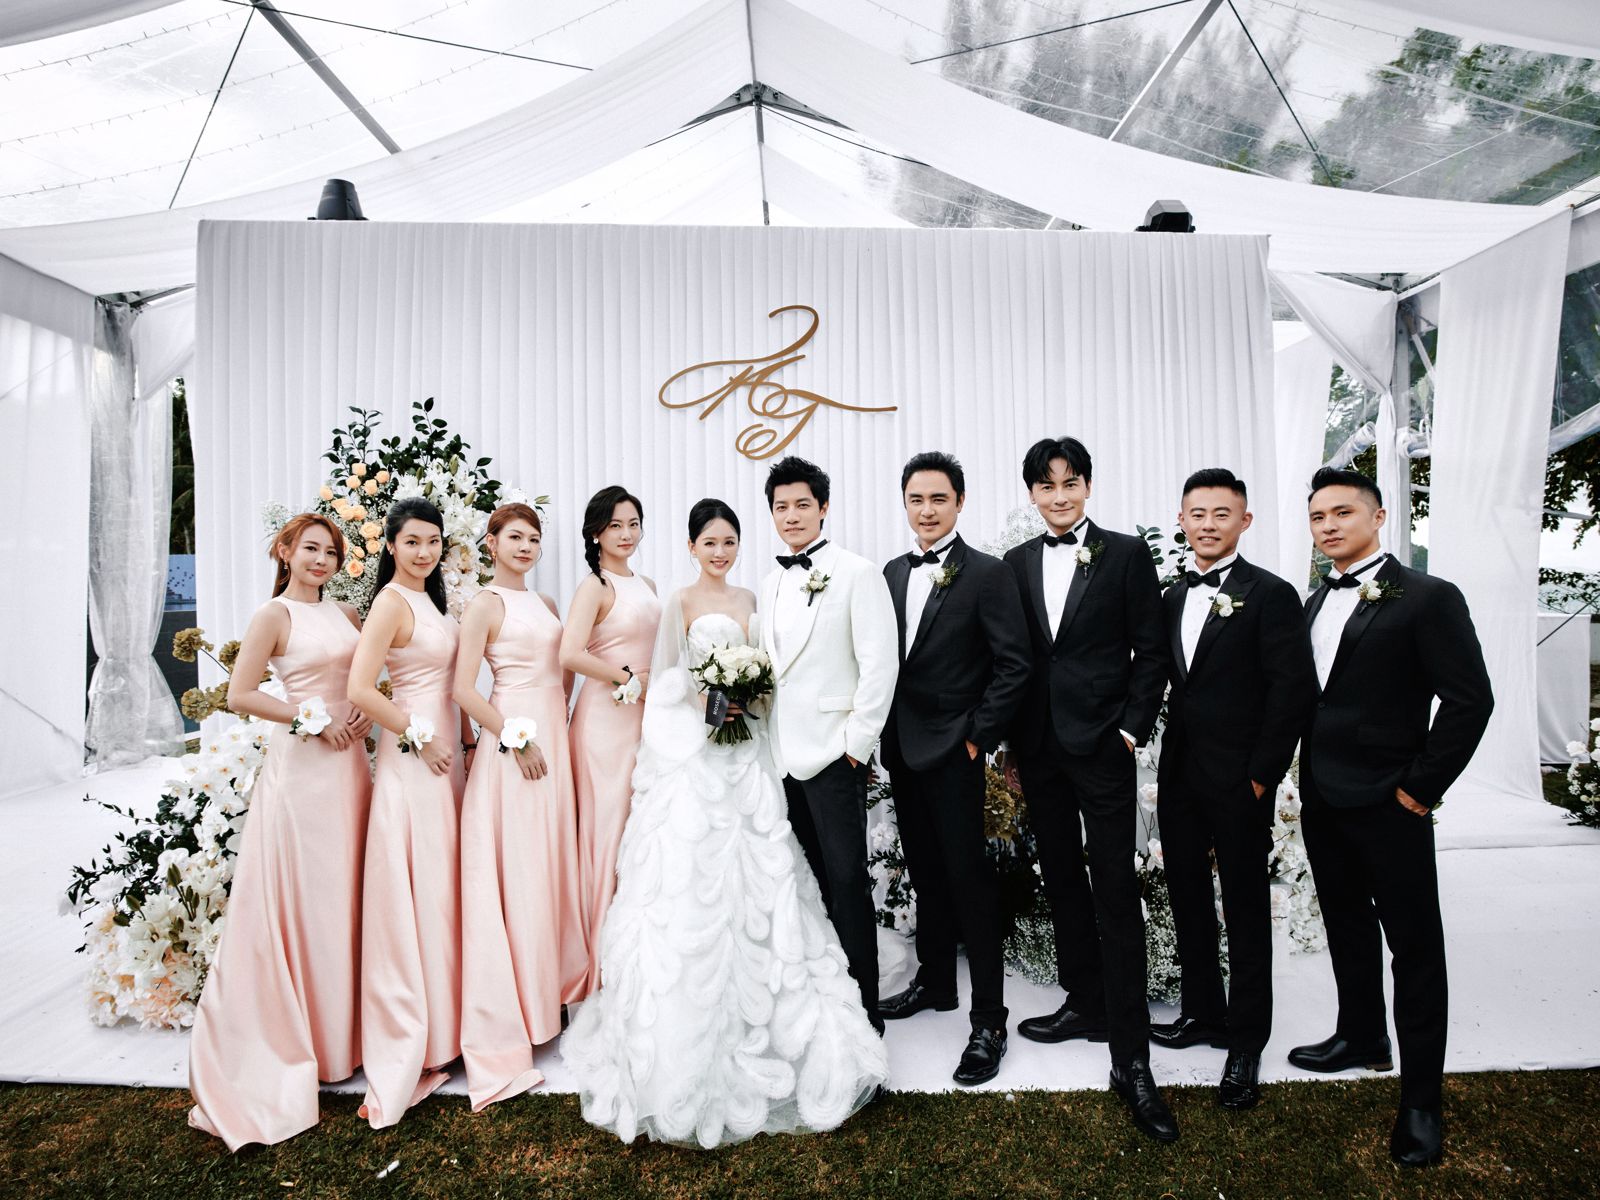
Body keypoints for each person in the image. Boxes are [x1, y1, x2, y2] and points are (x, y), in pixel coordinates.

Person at [563, 499, 888, 1147]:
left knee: (766, 870)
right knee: (694, 879)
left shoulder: (753, 597)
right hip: (699, 755)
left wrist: (746, 693)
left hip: (749, 756)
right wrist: (710, 698)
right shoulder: (678, 601)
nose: (720, 551)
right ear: (691, 547)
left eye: (729, 541)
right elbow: (667, 679)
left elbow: (773, 675)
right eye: (709, 542)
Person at [1291, 466, 1492, 1167]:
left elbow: (1470, 700)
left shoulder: (1429, 598)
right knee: (1345, 925)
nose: (1328, 526)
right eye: (1318, 517)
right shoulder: (1314, 601)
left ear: (1378, 518)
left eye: (1342, 513)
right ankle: (1361, 1035)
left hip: (1390, 802)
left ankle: (1421, 1102)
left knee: (1415, 949)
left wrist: (1420, 788)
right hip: (1322, 799)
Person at [1001, 436, 1176, 1142]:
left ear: (1088, 486)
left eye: (1070, 482)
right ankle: (1085, 1001)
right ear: (1032, 494)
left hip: (1104, 747)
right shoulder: (1016, 563)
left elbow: (1152, 651)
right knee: (1061, 880)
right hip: (1039, 750)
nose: (1059, 495)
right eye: (1047, 486)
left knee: (1114, 890)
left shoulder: (1126, 555)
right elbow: (1013, 657)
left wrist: (1130, 731)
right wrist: (1010, 743)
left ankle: (1131, 1061)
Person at [187, 514, 373, 1149]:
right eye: (311, 549)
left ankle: (347, 1037)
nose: (321, 560)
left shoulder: (347, 614)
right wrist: (310, 719)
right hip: (304, 772)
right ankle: (307, 1040)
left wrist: (360, 714)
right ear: (285, 551)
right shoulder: (274, 615)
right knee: (308, 898)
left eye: (331, 552)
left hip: (350, 767)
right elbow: (241, 693)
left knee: (347, 895)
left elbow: (361, 682)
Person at [1148, 468, 1316, 1110]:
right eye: (1198, 513)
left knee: (1244, 907)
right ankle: (1202, 1012)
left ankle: (1246, 1040)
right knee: (1187, 895)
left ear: (1245, 522)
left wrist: (1261, 775)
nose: (1209, 524)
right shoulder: (1171, 596)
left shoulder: (1270, 594)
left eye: (1222, 513)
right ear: (1182, 520)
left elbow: (1291, 690)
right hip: (1179, 776)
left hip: (1241, 778)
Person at [877, 451, 1030, 1085]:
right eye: (916, 499)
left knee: (971, 885)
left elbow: (1015, 664)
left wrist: (977, 738)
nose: (927, 510)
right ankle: (936, 982)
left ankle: (989, 1020)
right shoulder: (892, 571)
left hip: (956, 753)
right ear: (905, 504)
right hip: (903, 749)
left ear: (960, 503)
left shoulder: (988, 574)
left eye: (938, 498)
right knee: (926, 873)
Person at [757, 457, 899, 1034]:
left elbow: (880, 665)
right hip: (781, 758)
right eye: (781, 507)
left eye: (801, 505)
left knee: (847, 883)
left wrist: (856, 747)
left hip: (835, 756)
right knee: (808, 885)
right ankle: (823, 1000)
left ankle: (864, 1010)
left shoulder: (857, 573)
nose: (791, 516)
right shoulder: (770, 582)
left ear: (823, 508)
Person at [455, 503, 586, 1111]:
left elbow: (563, 671)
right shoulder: (485, 604)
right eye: (515, 537)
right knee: (521, 871)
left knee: (550, 867)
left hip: (553, 739)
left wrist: (559, 721)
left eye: (534, 538)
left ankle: (551, 999)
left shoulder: (548, 603)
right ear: (492, 542)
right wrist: (514, 737)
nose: (526, 546)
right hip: (515, 747)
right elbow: (462, 689)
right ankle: (518, 1012)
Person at [347, 497, 470, 1129]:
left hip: (446, 754)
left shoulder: (433, 603)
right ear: (392, 545)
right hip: (415, 756)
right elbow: (361, 688)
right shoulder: (391, 603)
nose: (424, 552)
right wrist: (420, 738)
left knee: (443, 888)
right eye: (413, 541)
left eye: (433, 542)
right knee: (420, 888)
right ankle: (420, 1034)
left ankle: (449, 1026)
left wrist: (465, 741)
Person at [561, 486, 661, 994]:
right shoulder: (594, 587)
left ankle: (633, 955)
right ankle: (597, 967)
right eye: (615, 525)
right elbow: (570, 654)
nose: (626, 534)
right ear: (596, 532)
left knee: (638, 830)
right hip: (605, 721)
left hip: (646, 719)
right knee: (606, 832)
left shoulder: (648, 583)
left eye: (633, 524)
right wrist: (625, 678)